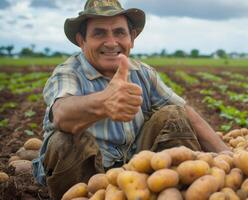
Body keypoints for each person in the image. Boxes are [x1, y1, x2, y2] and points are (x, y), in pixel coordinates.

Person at [32, 0, 230, 199]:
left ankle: (173, 192)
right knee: (64, 138)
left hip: (137, 173)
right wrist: (104, 102)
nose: (111, 42)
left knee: (174, 114)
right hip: (88, 178)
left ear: (132, 38)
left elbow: (186, 111)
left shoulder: (142, 73)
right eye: (99, 33)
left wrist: (227, 156)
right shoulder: (68, 73)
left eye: (119, 32)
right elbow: (61, 114)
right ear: (81, 40)